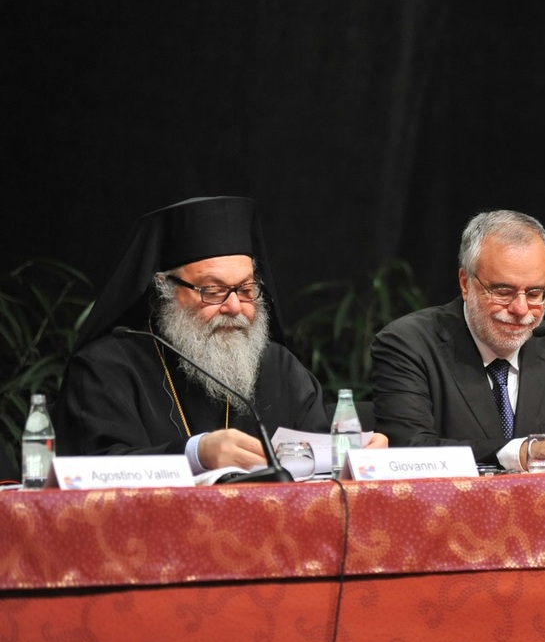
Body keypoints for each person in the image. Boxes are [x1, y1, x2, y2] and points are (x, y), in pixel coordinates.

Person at [54, 196, 385, 475]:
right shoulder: (103, 369)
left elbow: (318, 462)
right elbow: (86, 472)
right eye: (212, 291)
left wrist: (353, 456)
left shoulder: (277, 366)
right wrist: (194, 454)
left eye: (246, 289)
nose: (234, 306)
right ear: (164, 289)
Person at [370, 209, 545, 470]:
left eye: (535, 293)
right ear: (466, 283)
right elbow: (408, 447)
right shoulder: (409, 344)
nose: (521, 309)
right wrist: (522, 451)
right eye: (503, 291)